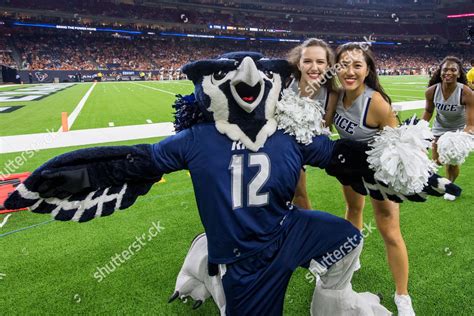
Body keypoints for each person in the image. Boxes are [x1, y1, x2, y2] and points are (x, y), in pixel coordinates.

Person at [328, 42, 415, 316]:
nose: (350, 71)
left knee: (389, 230)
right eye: (344, 65)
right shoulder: (334, 95)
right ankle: (351, 261)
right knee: (353, 210)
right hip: (350, 167)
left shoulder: (376, 103)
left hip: (379, 172)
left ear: (367, 70)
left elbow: (401, 147)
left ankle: (402, 296)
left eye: (357, 65)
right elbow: (321, 126)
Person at [286, 38, 339, 209]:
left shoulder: (331, 94)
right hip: (281, 150)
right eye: (307, 61)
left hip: (305, 150)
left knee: (299, 194)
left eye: (320, 62)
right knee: (289, 194)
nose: (314, 67)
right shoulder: (284, 84)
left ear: (328, 66)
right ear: (298, 63)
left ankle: (304, 231)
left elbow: (325, 130)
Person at [421, 56, 474, 200]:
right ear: (440, 72)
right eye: (445, 69)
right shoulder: (431, 91)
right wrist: (419, 128)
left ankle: (450, 186)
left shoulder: (466, 93)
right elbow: (429, 111)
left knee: (451, 160)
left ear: (459, 73)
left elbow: (471, 124)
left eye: (453, 70)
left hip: (458, 130)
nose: (448, 72)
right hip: (440, 127)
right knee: (437, 160)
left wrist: (458, 140)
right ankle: (444, 179)